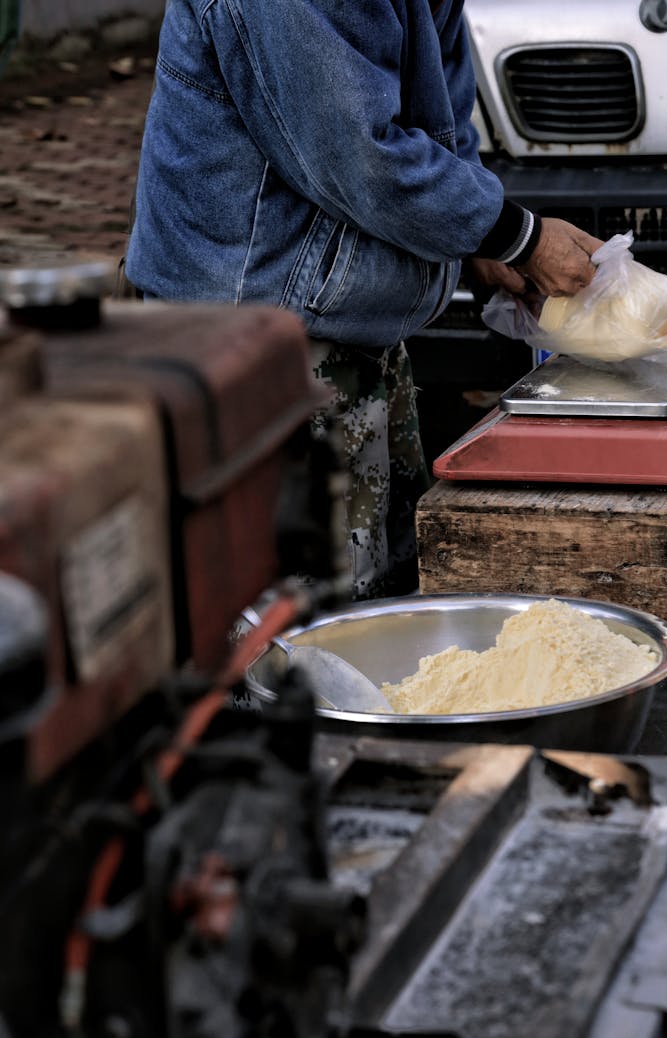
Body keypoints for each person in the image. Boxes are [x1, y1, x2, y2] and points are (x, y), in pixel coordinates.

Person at [125, 0, 602, 600]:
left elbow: (442, 122)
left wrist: (477, 236)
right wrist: (518, 236)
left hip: (349, 328)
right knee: (297, 636)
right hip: (253, 342)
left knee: (386, 603)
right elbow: (359, 155)